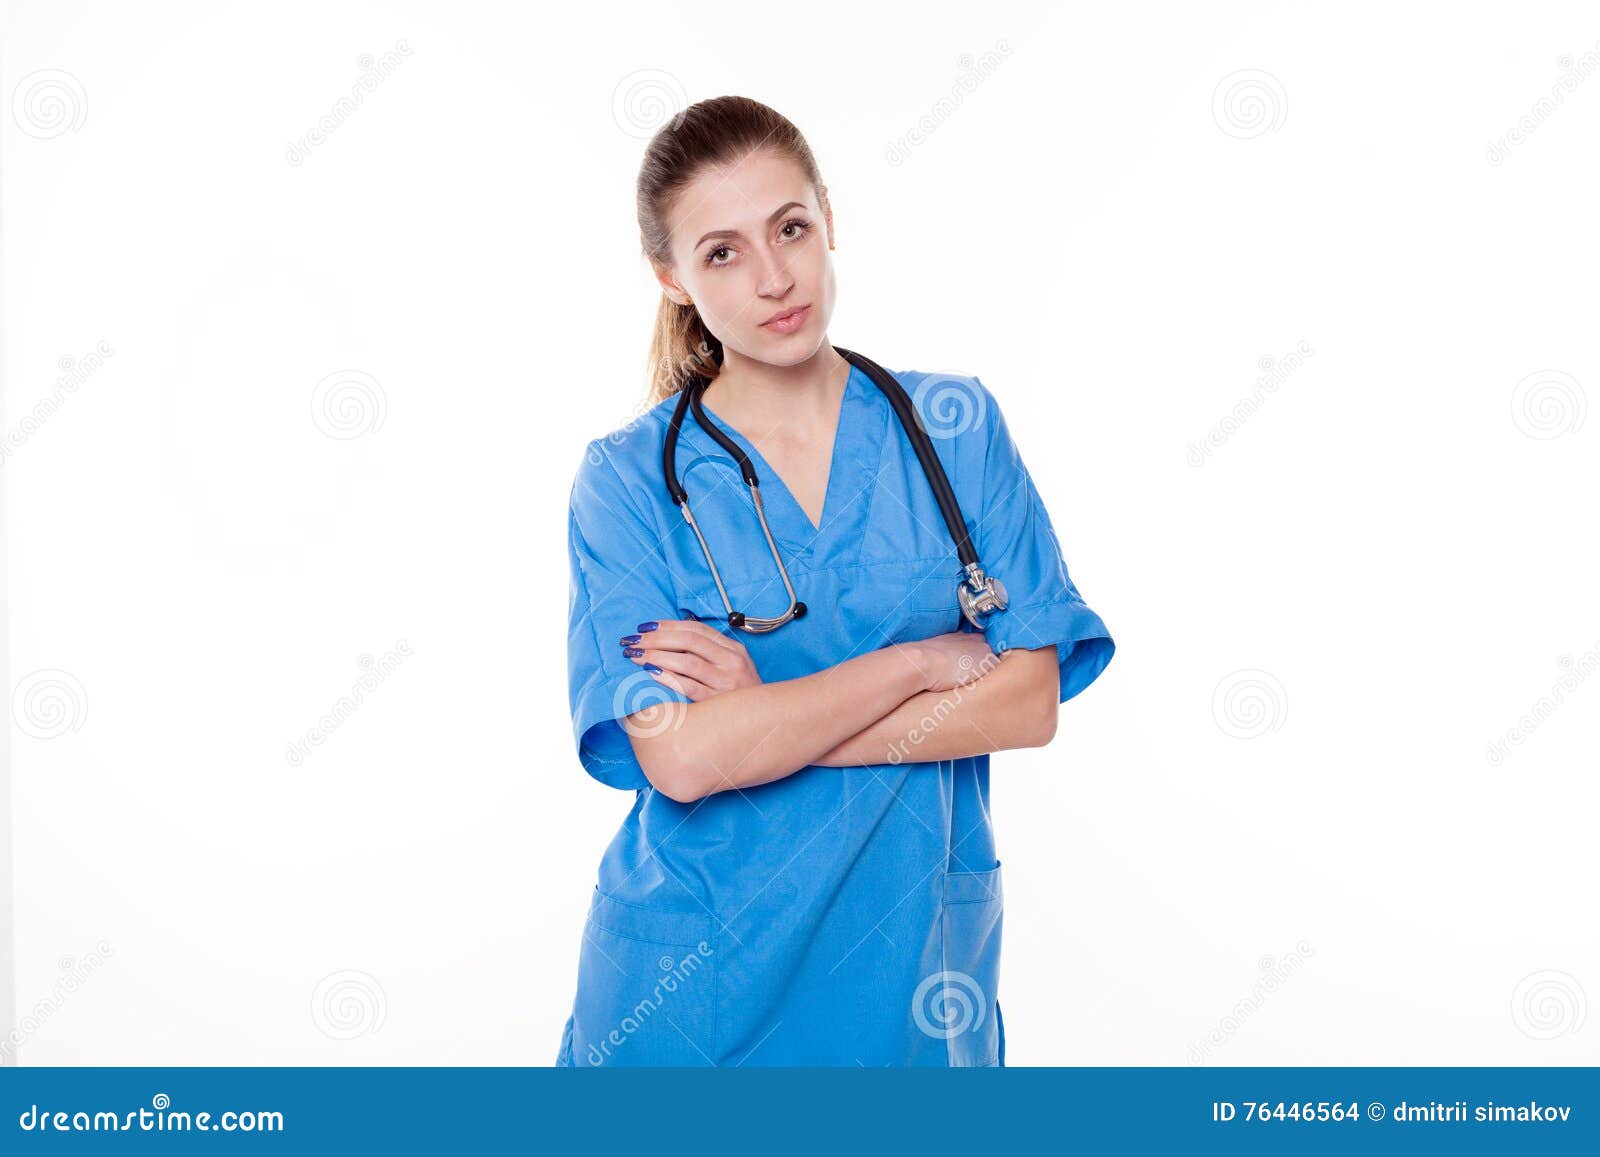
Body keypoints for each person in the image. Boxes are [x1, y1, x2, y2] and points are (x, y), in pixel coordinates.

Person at [555, 95, 1114, 1067]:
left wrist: (760, 722)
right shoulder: (628, 481)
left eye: (790, 228)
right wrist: (916, 665)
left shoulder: (953, 428)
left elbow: (1027, 701)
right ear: (671, 278)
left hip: (912, 990)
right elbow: (681, 761)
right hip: (690, 991)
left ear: (827, 218)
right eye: (721, 252)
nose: (774, 277)